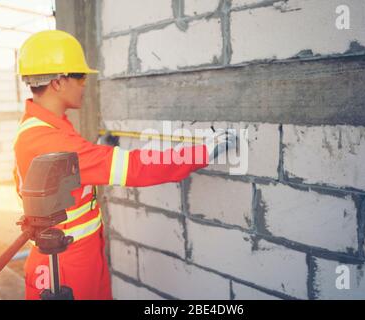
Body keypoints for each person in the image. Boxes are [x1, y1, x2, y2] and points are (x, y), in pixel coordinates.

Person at [14, 30, 236, 300]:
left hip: (79, 254)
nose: (85, 83)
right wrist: (203, 151)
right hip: (63, 268)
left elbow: (73, 170)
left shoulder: (46, 126)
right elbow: (135, 167)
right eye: (80, 76)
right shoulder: (47, 140)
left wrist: (98, 148)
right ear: (58, 83)